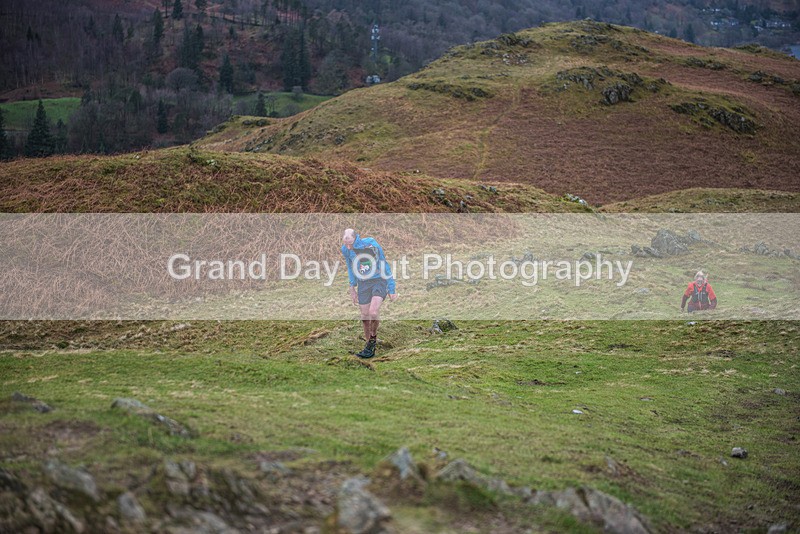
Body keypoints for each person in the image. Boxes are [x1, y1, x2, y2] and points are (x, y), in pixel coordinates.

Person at [341, 229, 397, 358]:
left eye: (349, 238)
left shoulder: (371, 244)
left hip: (379, 280)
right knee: (365, 316)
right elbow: (350, 267)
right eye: (344, 238)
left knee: (373, 312)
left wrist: (391, 287)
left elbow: (383, 262)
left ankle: (372, 340)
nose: (346, 240)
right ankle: (368, 346)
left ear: (355, 238)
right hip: (363, 283)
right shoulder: (346, 250)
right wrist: (352, 287)